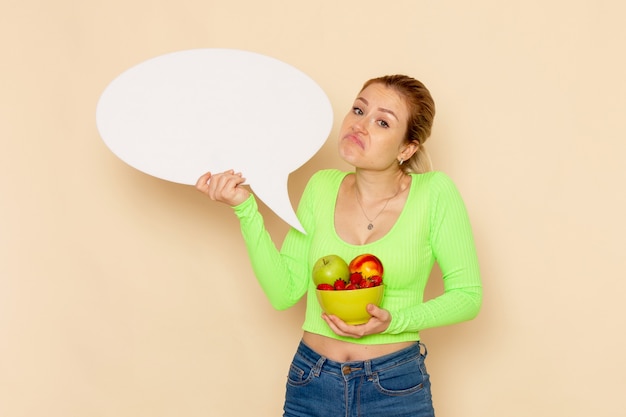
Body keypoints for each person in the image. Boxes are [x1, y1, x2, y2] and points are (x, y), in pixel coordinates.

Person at [196, 74, 482, 417]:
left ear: (407, 148)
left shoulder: (435, 193)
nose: (359, 126)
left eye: (381, 122)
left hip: (394, 387)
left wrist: (393, 320)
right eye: (358, 110)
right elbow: (283, 292)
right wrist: (245, 208)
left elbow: (468, 296)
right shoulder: (321, 187)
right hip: (311, 381)